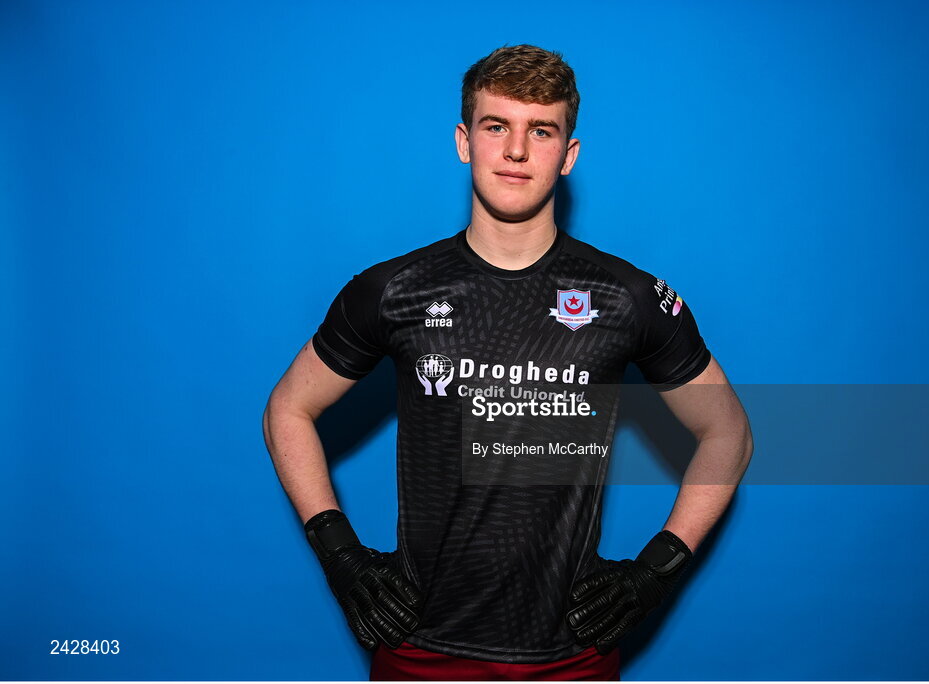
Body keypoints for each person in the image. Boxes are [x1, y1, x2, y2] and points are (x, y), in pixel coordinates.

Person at [263, 44, 753, 681]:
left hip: (571, 655)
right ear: (465, 141)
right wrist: (340, 554)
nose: (516, 151)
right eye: (497, 127)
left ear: (568, 154)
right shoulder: (394, 289)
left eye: (540, 130)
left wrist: (657, 569)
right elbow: (288, 409)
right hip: (419, 649)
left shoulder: (627, 298)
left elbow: (729, 432)